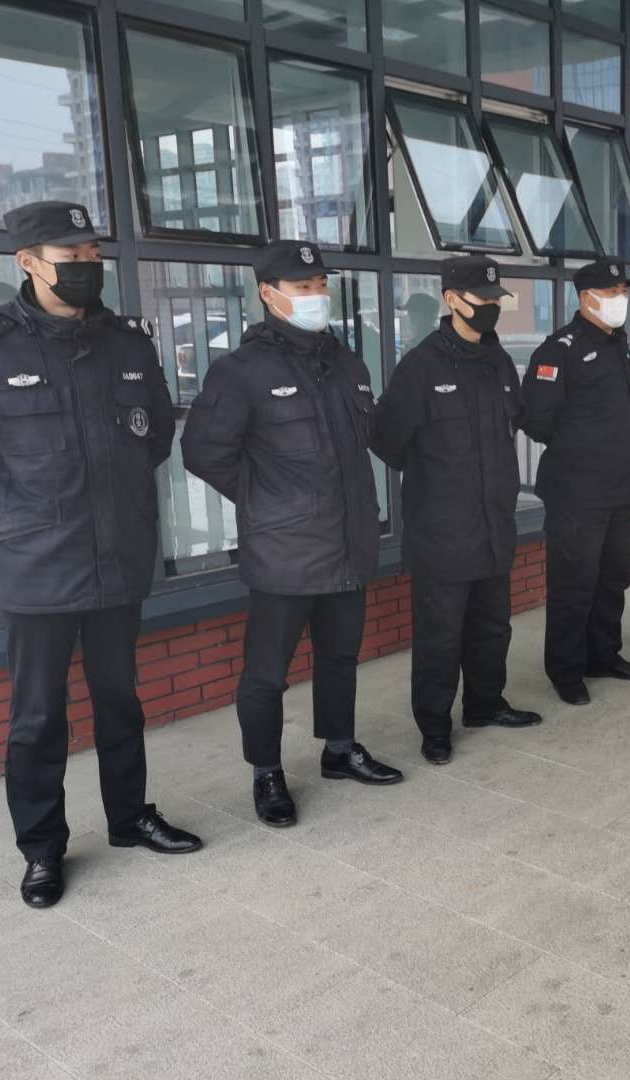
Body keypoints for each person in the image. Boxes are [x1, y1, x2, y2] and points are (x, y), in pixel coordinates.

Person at [0, 201, 202, 909]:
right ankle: (42, 849)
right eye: (71, 258)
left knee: (120, 703)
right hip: (35, 568)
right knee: (38, 719)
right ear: (28, 263)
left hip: (116, 558)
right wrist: (11, 504)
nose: (87, 268)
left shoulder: (128, 344)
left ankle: (129, 818)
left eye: (93, 255)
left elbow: (155, 436)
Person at [181, 240, 402, 829]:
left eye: (321, 285)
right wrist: (268, 500)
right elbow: (202, 451)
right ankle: (267, 771)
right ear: (268, 294)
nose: (316, 296)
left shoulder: (347, 364)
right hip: (284, 551)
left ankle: (339, 749)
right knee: (266, 673)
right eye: (303, 287)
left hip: (348, 543)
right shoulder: (240, 371)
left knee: (340, 656)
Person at [372, 256, 542, 764]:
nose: (491, 307)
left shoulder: (498, 361)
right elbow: (385, 437)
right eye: (481, 300)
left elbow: (512, 425)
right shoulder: (421, 366)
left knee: (492, 626)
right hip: (442, 532)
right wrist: (436, 484)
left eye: (495, 300)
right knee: (440, 637)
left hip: (493, 525)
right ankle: (434, 726)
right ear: (451, 300)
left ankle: (485, 704)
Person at [520, 260, 630, 706]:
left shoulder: (617, 343)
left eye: (624, 292)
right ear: (586, 297)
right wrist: (581, 448)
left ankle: (603, 655)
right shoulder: (560, 349)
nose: (621, 300)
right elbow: (536, 419)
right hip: (577, 492)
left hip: (619, 488)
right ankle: (566, 669)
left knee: (612, 579)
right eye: (612, 292)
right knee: (573, 584)